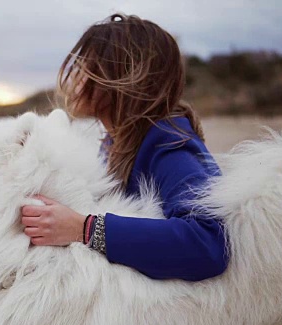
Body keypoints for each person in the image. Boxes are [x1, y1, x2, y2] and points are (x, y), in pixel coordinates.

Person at [20, 14, 229, 282]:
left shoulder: (169, 146)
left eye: (85, 67)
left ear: (121, 78)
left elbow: (208, 243)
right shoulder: (116, 142)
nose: (75, 78)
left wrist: (84, 229)